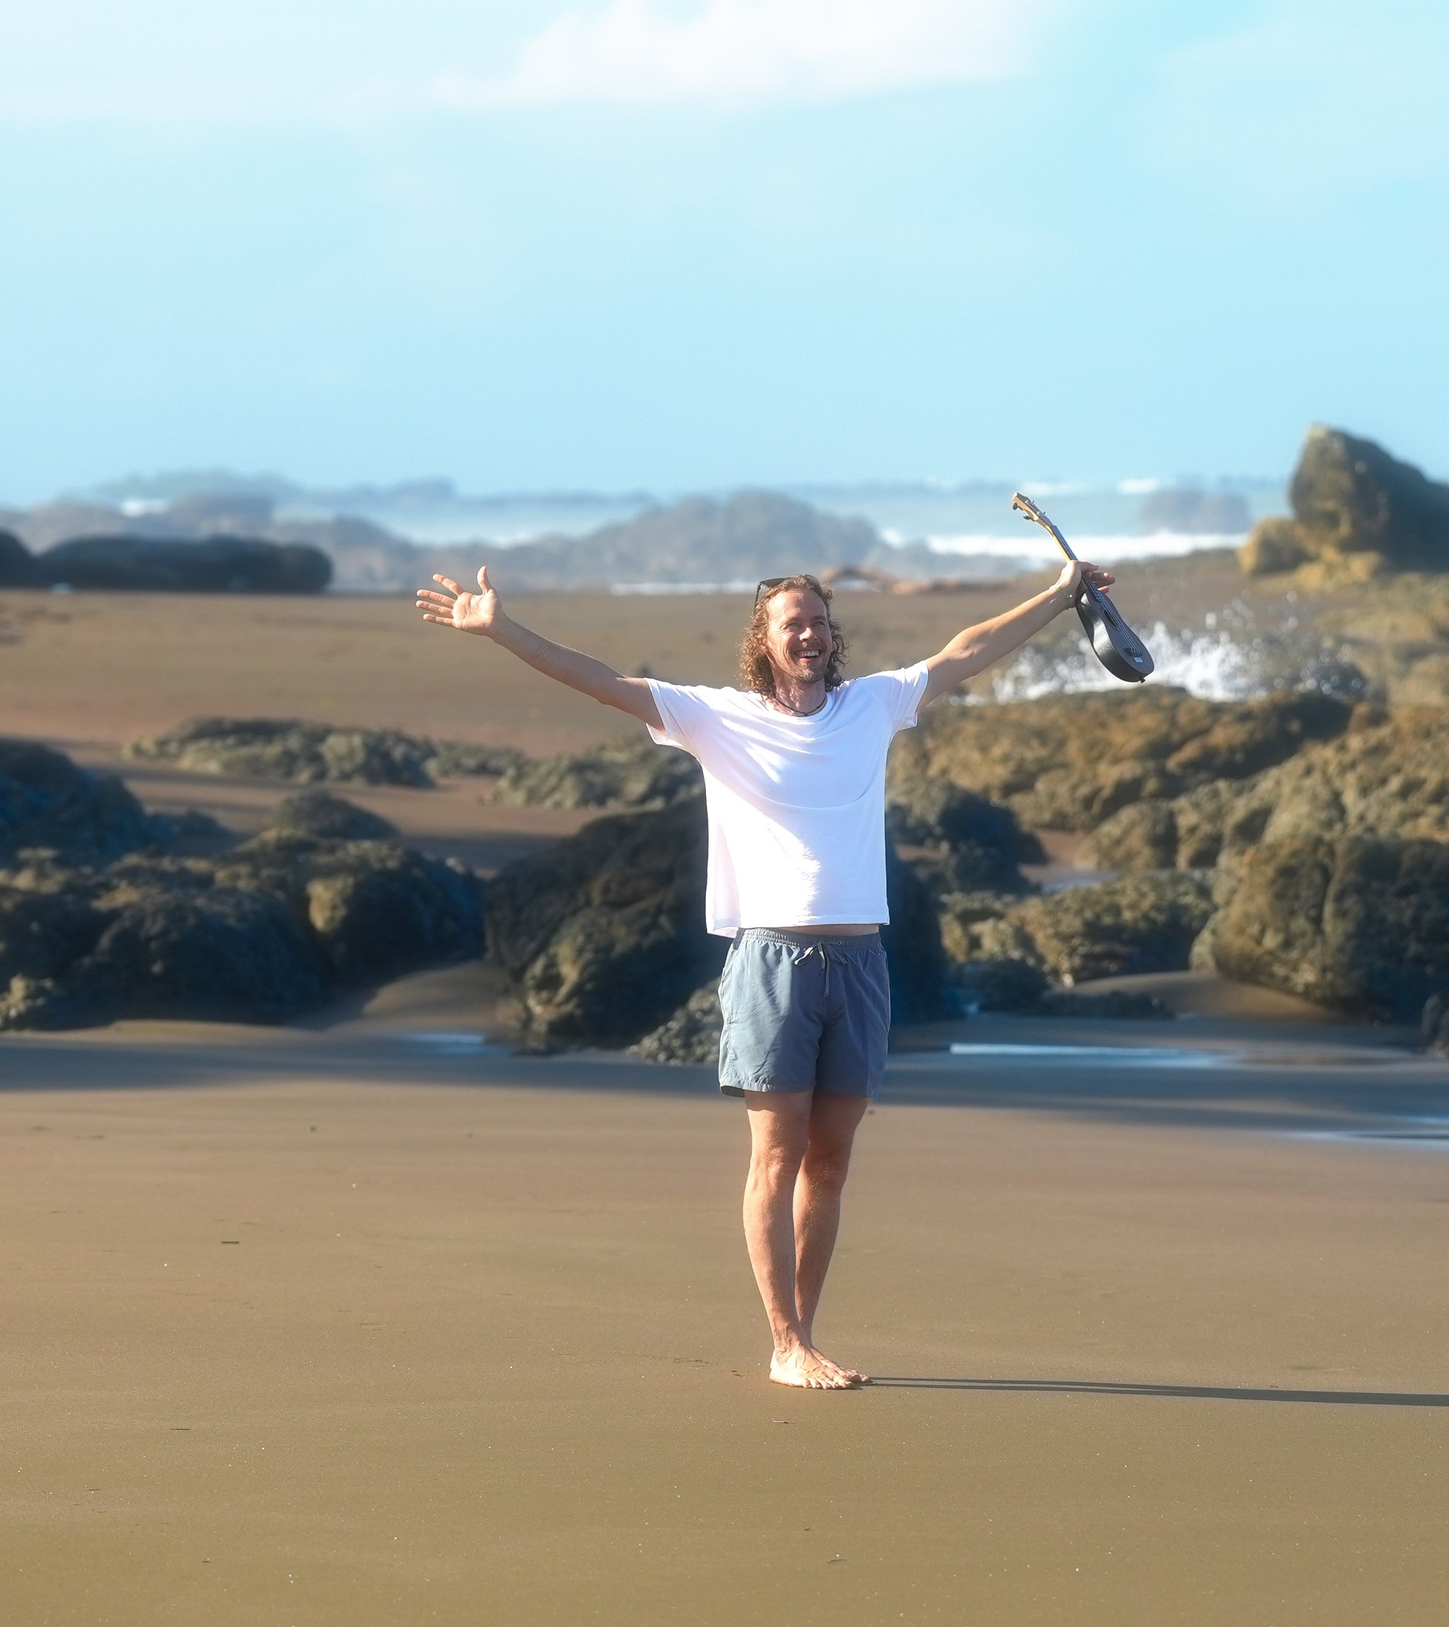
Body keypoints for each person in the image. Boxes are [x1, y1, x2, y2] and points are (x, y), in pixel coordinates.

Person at [417, 557, 1114, 1388]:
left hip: (862, 961)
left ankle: (806, 1338)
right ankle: (783, 1342)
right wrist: (500, 630)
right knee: (776, 1160)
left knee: (831, 1163)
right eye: (795, 622)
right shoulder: (718, 718)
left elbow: (966, 650)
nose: (811, 633)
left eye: (820, 620)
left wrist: (1059, 593)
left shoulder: (872, 706)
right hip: (772, 961)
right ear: (765, 639)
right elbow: (604, 681)